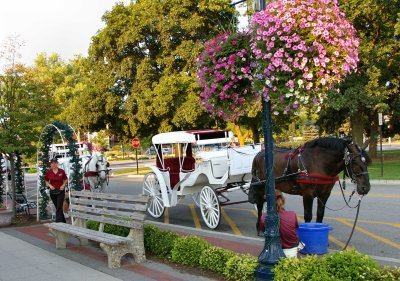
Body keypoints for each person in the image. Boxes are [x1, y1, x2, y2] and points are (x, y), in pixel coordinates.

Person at [260, 190, 300, 258]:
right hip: (291, 249)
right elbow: (296, 228)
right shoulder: (292, 214)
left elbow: (263, 230)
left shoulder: (264, 216)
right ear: (282, 201)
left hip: (274, 250)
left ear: (268, 203)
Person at [45, 158, 68, 223]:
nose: (54, 164)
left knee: (59, 206)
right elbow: (46, 181)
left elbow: (65, 179)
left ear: (57, 163)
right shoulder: (48, 172)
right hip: (52, 191)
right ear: (51, 164)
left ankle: (57, 222)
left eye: (55, 163)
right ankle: (63, 221)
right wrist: (50, 185)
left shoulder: (61, 171)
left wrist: (63, 185)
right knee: (57, 207)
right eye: (52, 163)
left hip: (60, 191)